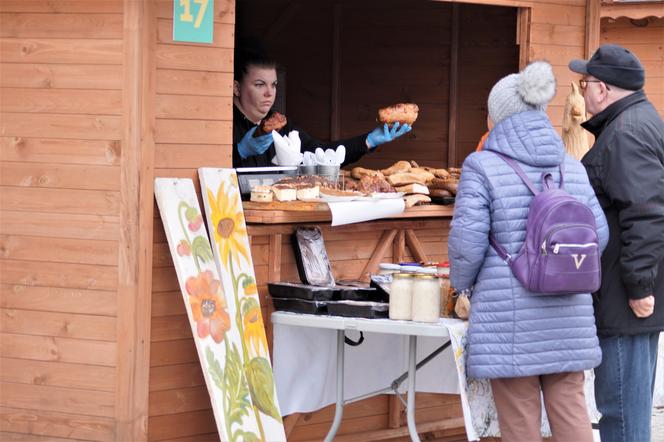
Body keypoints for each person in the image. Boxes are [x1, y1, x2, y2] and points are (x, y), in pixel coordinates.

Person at [448, 61, 609, 442]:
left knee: (519, 416)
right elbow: (598, 236)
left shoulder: (481, 166)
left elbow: (467, 244)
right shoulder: (571, 167)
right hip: (570, 312)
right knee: (571, 409)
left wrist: (460, 285)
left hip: (511, 319)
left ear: (497, 118)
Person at [569, 43, 664, 442]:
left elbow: (646, 212)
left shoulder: (625, 133)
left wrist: (638, 286)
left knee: (621, 414)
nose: (582, 89)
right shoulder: (636, 120)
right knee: (628, 409)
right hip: (627, 292)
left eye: (585, 82)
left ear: (602, 90)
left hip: (625, 297)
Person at [232, 44, 411, 168]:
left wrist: (368, 141)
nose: (269, 93)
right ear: (236, 88)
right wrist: (239, 151)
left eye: (274, 85)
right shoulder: (222, 124)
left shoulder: (282, 126)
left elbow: (322, 155)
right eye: (259, 84)